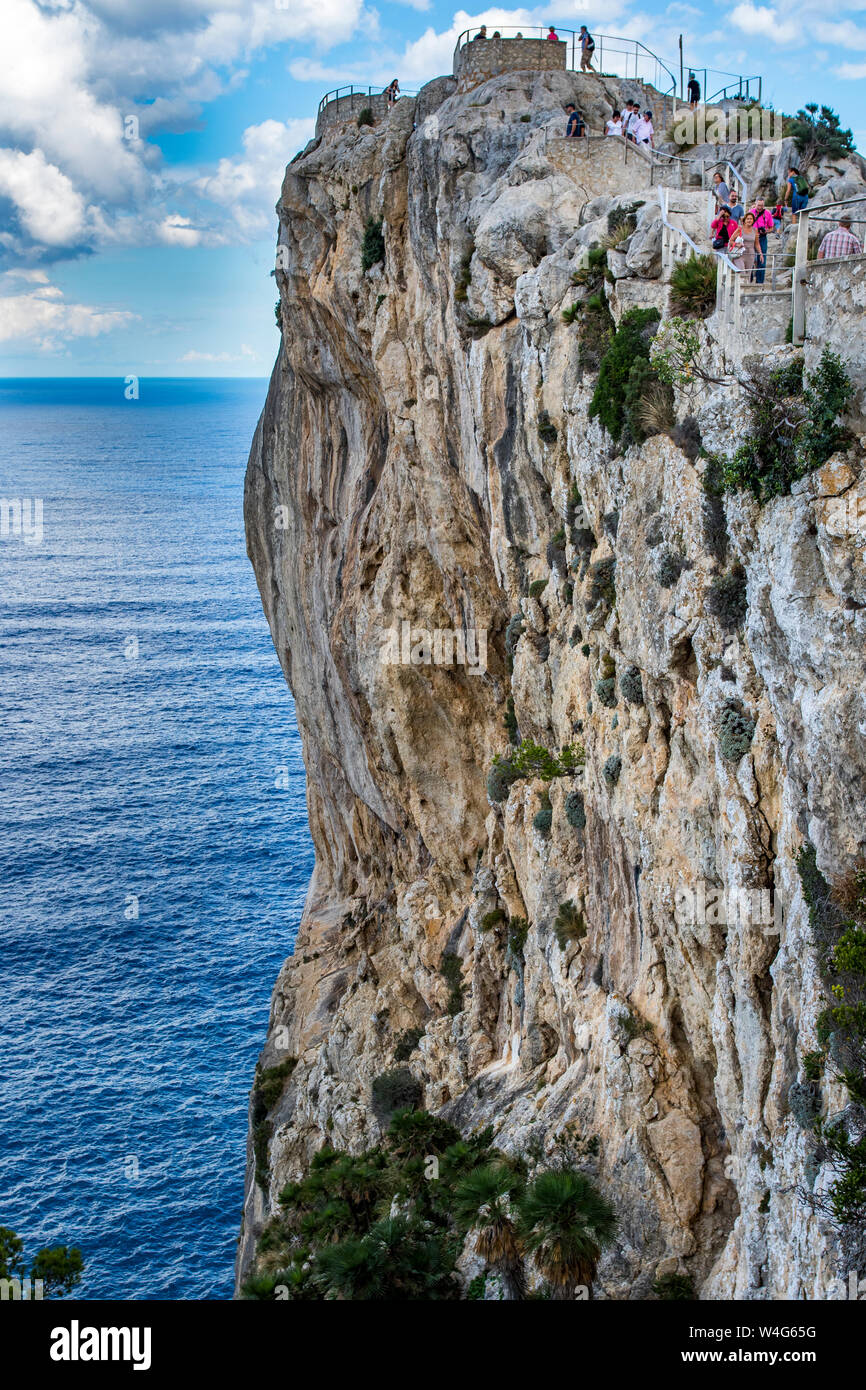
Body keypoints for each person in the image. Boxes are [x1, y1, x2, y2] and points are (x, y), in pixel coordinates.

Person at [748, 200, 774, 283]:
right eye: (758, 205)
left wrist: (766, 231)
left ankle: (759, 282)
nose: (759, 208)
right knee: (750, 259)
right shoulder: (751, 212)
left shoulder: (767, 213)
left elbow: (771, 227)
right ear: (755, 205)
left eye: (761, 206)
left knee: (762, 260)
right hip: (751, 237)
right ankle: (749, 279)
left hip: (762, 237)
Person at [731, 211, 762, 276]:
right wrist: (737, 244)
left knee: (748, 274)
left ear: (753, 220)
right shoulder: (740, 229)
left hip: (750, 254)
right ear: (744, 220)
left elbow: (757, 243)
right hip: (740, 254)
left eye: (751, 219)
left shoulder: (755, 230)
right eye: (748, 219)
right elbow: (731, 240)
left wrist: (760, 253)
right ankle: (739, 286)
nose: (749, 220)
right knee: (742, 273)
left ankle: (746, 286)